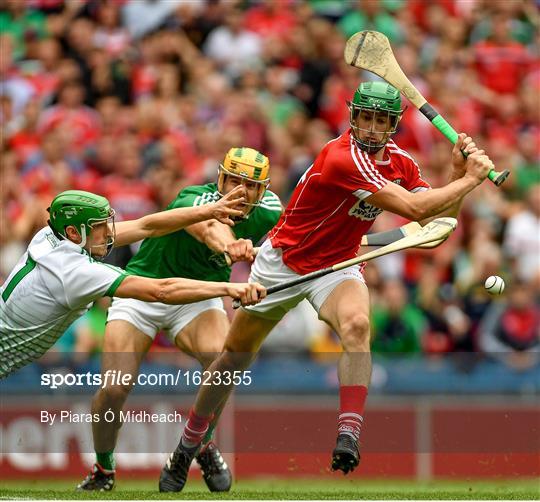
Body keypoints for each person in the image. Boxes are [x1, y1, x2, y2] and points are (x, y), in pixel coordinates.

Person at [157, 81, 495, 492]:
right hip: (284, 262)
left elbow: (436, 227)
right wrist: (471, 180)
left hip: (339, 263)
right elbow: (414, 208)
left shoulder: (402, 163)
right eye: (365, 118)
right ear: (354, 117)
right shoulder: (343, 158)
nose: (371, 128)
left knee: (356, 326)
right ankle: (188, 445)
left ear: (392, 125)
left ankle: (348, 435)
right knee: (232, 361)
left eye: (380, 120)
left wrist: (458, 175)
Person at [79, 147, 282, 492]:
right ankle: (103, 467)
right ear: (220, 177)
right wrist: (229, 246)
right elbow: (207, 228)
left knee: (227, 361)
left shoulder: (271, 210)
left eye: (249, 185)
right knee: (114, 388)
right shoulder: (194, 196)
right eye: (233, 180)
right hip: (144, 290)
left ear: (263, 190)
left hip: (196, 298)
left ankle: (198, 442)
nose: (239, 191)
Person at [0, 187, 266, 379]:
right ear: (73, 232)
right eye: (99, 226)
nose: (109, 232)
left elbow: (145, 226)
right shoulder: (75, 273)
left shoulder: (51, 235)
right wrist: (230, 288)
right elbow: (161, 290)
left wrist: (209, 210)